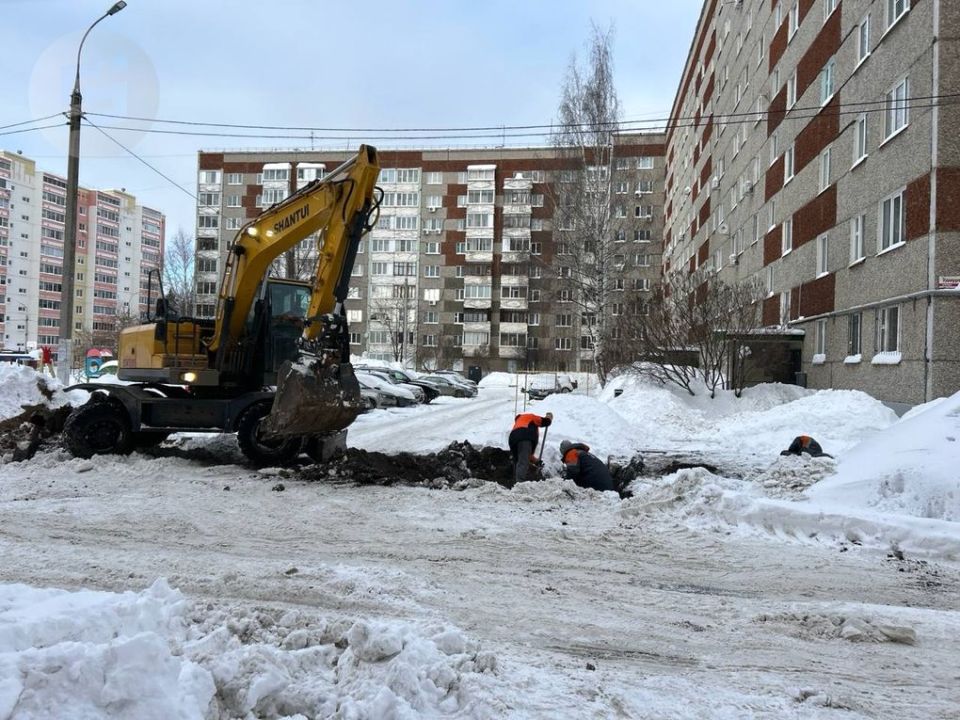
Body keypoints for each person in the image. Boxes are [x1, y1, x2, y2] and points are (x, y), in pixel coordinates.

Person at [508, 411, 552, 483]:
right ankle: (520, 483)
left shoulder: (518, 423)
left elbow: (527, 455)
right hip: (524, 436)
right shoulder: (530, 416)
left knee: (518, 461)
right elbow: (544, 421)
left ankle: (515, 482)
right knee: (523, 462)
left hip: (513, 439)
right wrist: (548, 418)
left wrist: (536, 461)